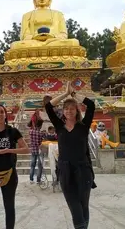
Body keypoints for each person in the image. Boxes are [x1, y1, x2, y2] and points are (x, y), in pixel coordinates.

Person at [45, 82, 97, 229]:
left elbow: (91, 105)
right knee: (75, 207)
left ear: (76, 110)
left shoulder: (83, 126)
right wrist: (65, 94)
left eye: (72, 108)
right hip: (65, 170)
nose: (69, 111)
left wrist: (74, 94)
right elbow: (49, 107)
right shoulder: (59, 126)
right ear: (63, 111)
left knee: (83, 205)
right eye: (66, 109)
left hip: (83, 169)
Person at [29, 119, 45, 184]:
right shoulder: (41, 133)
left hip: (33, 150)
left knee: (32, 165)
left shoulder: (31, 132)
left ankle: (31, 179)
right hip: (39, 151)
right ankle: (38, 180)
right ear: (40, 126)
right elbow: (43, 141)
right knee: (40, 166)